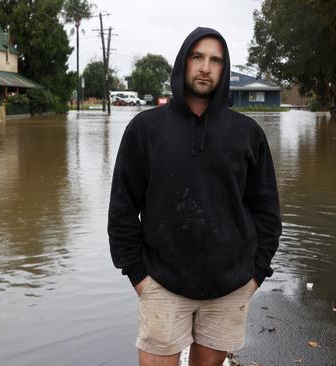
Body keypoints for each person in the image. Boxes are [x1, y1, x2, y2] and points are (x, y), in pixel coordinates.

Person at [108, 27, 282, 366]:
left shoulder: (249, 135)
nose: (205, 67)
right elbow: (122, 209)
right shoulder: (145, 130)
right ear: (183, 63)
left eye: (215, 60)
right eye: (197, 57)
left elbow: (267, 213)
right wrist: (137, 275)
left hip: (231, 286)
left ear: (224, 69)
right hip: (160, 282)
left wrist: (256, 275)